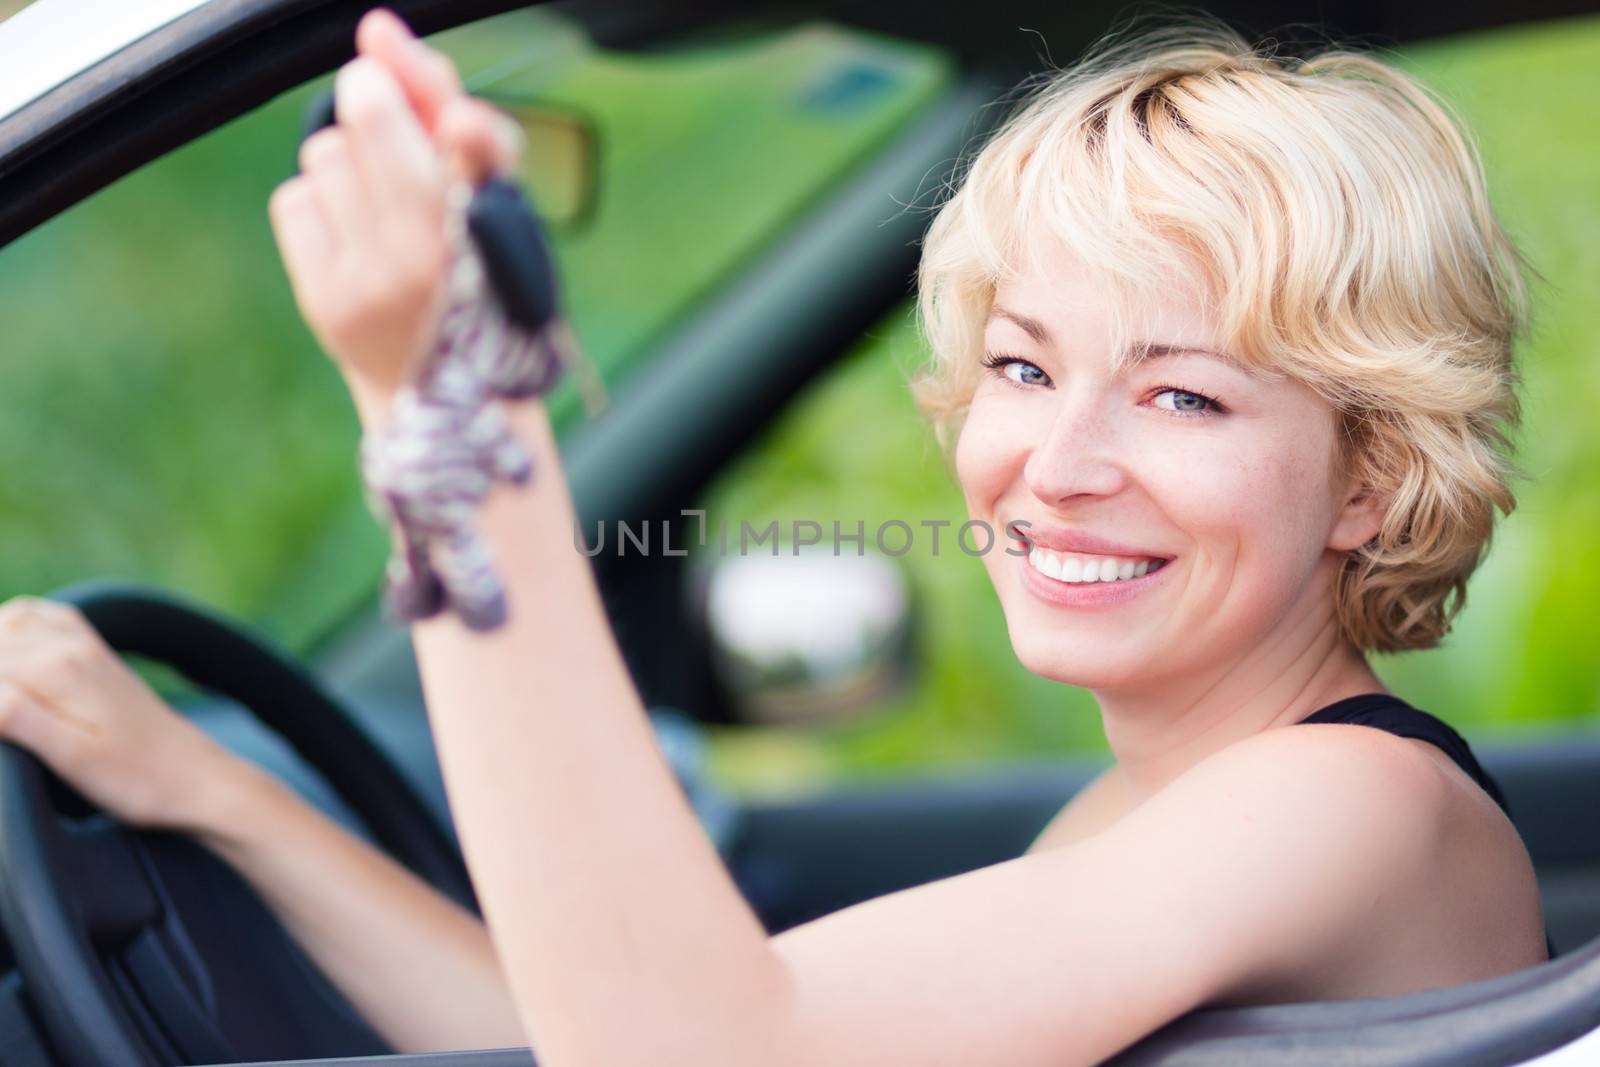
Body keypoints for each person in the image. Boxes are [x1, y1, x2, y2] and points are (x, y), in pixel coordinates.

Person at [0, 8, 1550, 1065]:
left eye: (1185, 398)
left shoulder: (1349, 810)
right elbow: (600, 1027)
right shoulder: (1140, 818)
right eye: (1023, 366)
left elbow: (697, 1058)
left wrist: (452, 415)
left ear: (1370, 475)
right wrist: (205, 793)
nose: (1056, 464)